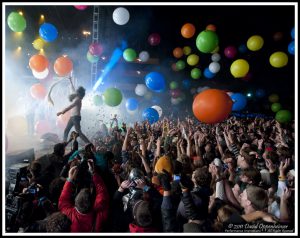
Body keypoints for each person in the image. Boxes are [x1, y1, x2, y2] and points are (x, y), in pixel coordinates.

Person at [56, 76, 91, 145]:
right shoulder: (76, 97)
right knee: (66, 130)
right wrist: (70, 81)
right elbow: (73, 89)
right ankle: (64, 143)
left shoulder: (78, 100)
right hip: (72, 117)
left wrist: (62, 112)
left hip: (76, 117)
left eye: (77, 92)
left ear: (79, 93)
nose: (76, 92)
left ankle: (89, 144)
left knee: (79, 132)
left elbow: (71, 106)